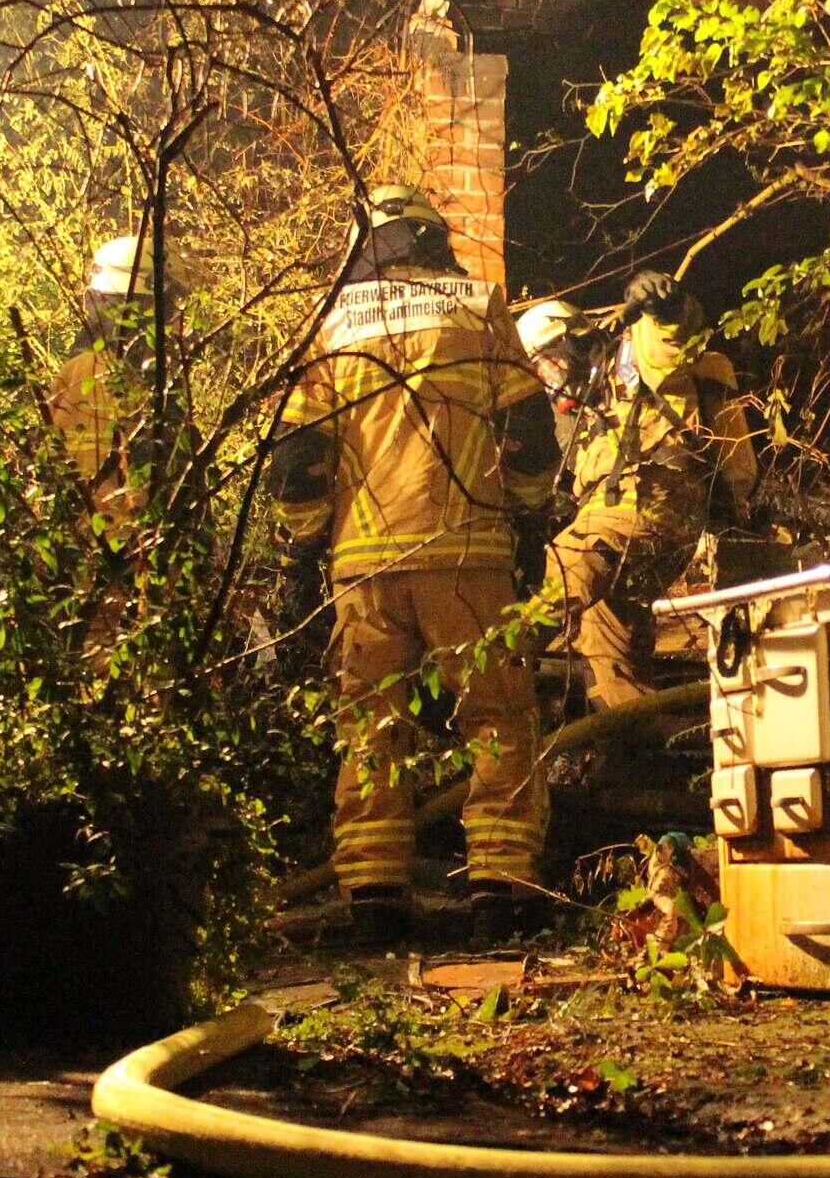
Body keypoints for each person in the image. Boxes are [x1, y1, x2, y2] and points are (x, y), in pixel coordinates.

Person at [268, 185, 557, 944]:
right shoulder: (477, 308)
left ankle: (373, 897)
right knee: (497, 715)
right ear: (433, 237)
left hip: (361, 566)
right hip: (469, 554)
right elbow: (528, 426)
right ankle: (500, 890)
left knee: (370, 725)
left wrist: (305, 542)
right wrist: (526, 513)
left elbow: (296, 458)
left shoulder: (330, 325)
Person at [524, 271, 755, 714]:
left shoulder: (630, 359)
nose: (546, 381)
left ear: (568, 345)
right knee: (604, 643)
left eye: (545, 365)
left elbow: (671, 338)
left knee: (552, 583)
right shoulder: (587, 414)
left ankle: (481, 691)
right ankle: (638, 743)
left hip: (648, 508)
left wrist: (663, 306)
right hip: (640, 534)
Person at [45, 234, 194, 653]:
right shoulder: (142, 385)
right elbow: (175, 482)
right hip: (134, 580)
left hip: (81, 577)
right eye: (171, 306)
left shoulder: (70, 376)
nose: (177, 321)